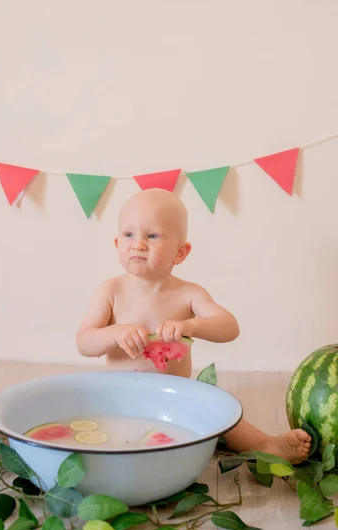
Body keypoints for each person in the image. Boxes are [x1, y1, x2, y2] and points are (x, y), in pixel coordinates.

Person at [76, 188, 311, 461]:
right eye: (129, 235)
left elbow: (229, 327)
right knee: (103, 424)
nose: (138, 244)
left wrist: (190, 327)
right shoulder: (111, 290)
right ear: (117, 244)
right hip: (120, 398)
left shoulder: (189, 294)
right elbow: (84, 343)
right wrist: (114, 334)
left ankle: (265, 444)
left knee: (217, 409)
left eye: (152, 236)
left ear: (180, 252)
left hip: (176, 396)